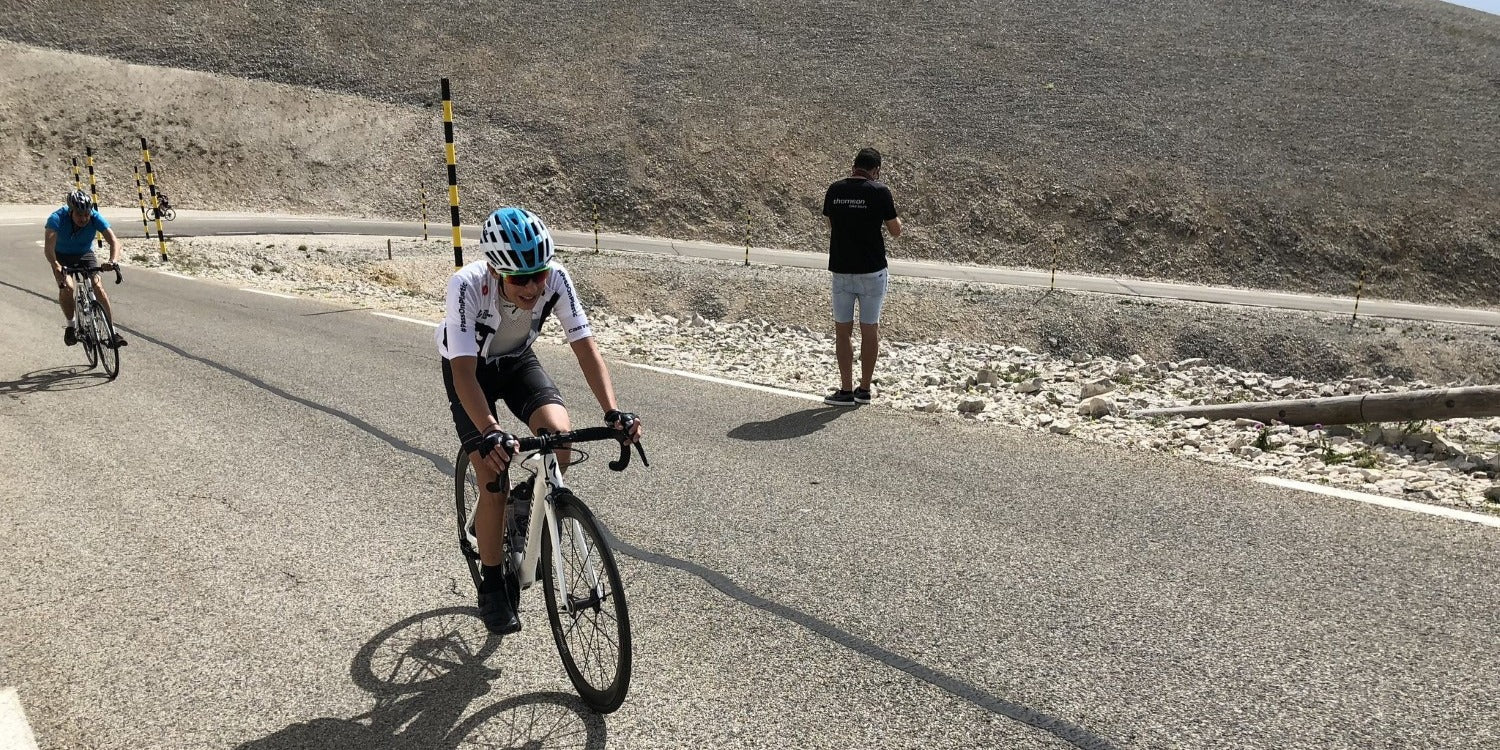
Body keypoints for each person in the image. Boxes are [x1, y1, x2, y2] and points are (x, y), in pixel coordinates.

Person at [437, 206, 642, 635]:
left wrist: (612, 410)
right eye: (520, 279)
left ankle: (523, 507)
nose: (533, 286)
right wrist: (491, 431)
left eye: (539, 274)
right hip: (470, 372)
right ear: (496, 272)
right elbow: (461, 373)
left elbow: (585, 345)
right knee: (493, 476)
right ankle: (493, 584)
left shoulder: (558, 279)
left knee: (560, 441)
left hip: (515, 362)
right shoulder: (467, 286)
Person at [821, 147, 901, 406]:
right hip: (872, 271)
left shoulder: (835, 190)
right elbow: (895, 230)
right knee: (869, 330)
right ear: (875, 170)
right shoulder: (879, 191)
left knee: (842, 332)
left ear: (853, 165)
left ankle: (845, 390)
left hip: (842, 269)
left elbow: (832, 224)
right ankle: (864, 389)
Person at [45, 190, 127, 348]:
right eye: (79, 214)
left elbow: (114, 242)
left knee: (98, 287)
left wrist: (113, 261)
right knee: (67, 287)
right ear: (71, 212)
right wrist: (56, 266)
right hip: (61, 256)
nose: (83, 218)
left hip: (84, 254)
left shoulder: (95, 217)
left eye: (86, 214)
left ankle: (112, 332)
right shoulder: (56, 218)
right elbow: (49, 249)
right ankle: (71, 326)